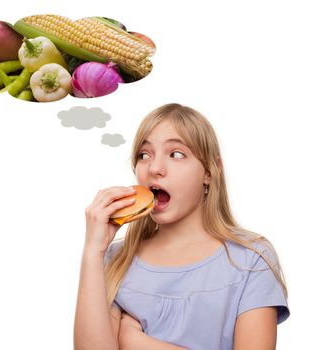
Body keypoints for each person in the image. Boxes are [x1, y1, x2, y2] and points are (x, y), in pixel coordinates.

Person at [74, 103, 289, 350]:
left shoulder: (251, 258)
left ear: (210, 171)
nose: (154, 168)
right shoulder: (116, 260)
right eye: (144, 155)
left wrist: (136, 342)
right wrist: (93, 250)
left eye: (176, 154)